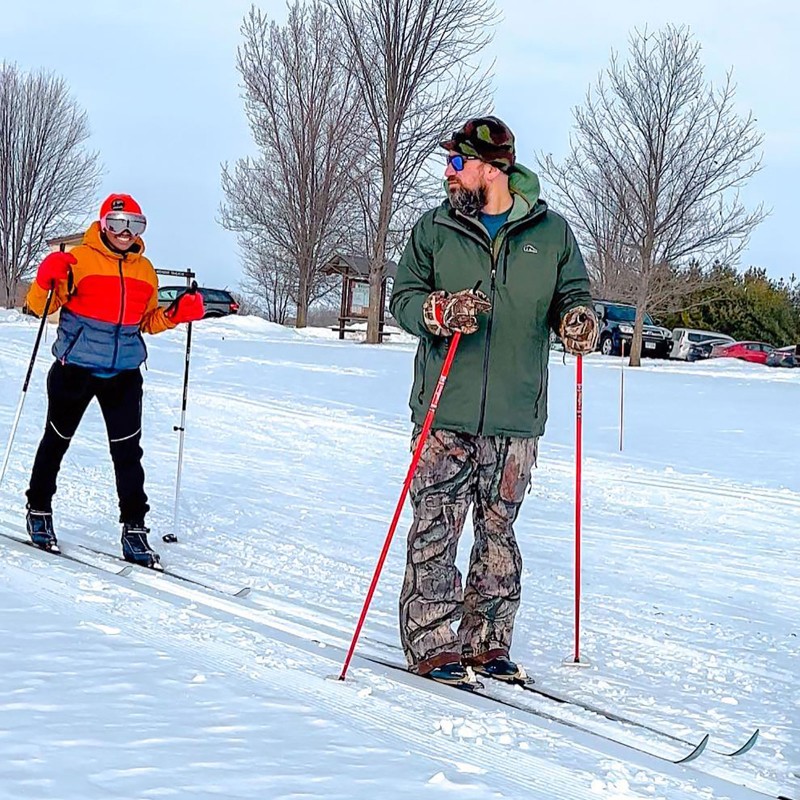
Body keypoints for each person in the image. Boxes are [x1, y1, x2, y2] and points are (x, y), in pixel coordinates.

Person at [389, 116, 598, 686]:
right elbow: (403, 298)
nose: (449, 172)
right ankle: (432, 642)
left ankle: (486, 642)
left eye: (458, 163)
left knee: (498, 532)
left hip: (516, 414)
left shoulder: (551, 234)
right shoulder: (434, 229)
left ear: (492, 168)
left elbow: (572, 295)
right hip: (444, 410)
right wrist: (437, 311)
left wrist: (578, 320)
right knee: (436, 526)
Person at [24, 193, 205, 569]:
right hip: (75, 367)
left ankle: (134, 528)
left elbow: (147, 321)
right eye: (118, 223)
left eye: (134, 225)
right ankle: (39, 509)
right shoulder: (79, 261)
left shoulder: (145, 271)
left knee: (127, 453)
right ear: (103, 224)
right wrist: (44, 278)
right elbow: (41, 307)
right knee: (56, 441)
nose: (125, 233)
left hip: (123, 373)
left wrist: (175, 314)